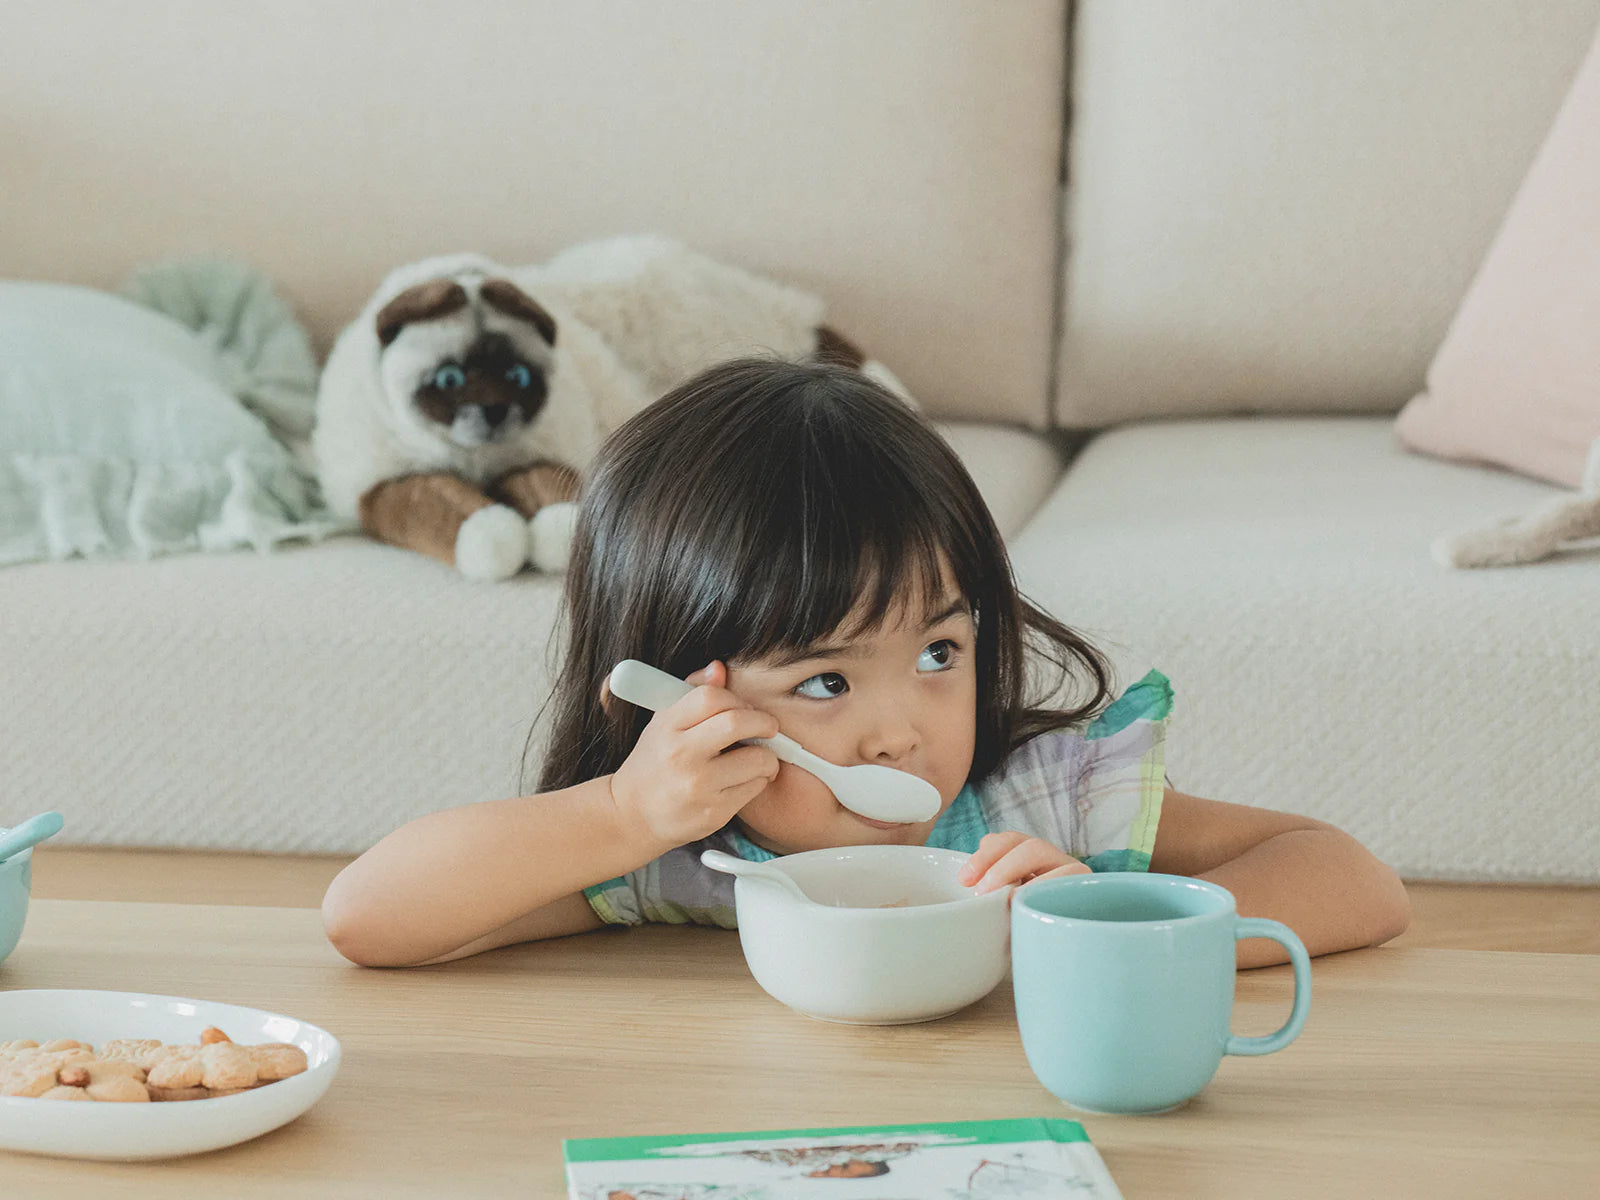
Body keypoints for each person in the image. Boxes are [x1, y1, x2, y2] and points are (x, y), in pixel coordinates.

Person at [322, 358, 1410, 968]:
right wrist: (620, 812)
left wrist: (1116, 934)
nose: (904, 731)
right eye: (827, 683)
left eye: (939, 650)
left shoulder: (1042, 802)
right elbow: (367, 918)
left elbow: (1351, 878)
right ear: (691, 699)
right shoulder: (688, 853)